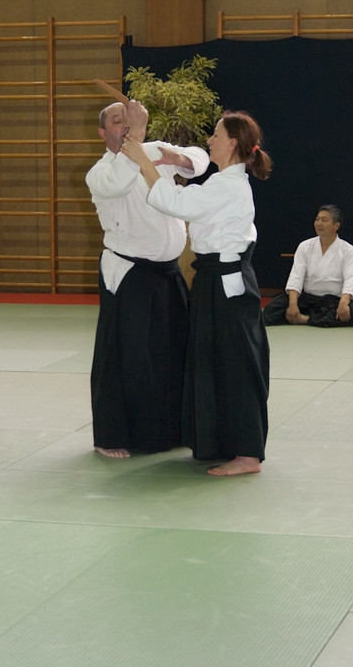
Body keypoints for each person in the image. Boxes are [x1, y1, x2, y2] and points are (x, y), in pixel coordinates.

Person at [121, 111, 272, 476]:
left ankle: (248, 455)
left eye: (216, 135)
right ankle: (220, 442)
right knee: (214, 362)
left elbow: (178, 203)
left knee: (236, 364)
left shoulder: (229, 186)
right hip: (213, 278)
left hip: (226, 281)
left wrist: (144, 161)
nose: (209, 140)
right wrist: (174, 160)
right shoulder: (222, 183)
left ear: (232, 143)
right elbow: (188, 200)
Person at [86, 100, 209, 458]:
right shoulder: (100, 172)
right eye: (117, 121)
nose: (124, 125)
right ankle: (111, 436)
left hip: (168, 271)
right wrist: (137, 138)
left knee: (172, 354)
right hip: (128, 274)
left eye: (128, 119)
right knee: (126, 358)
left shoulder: (154, 151)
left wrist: (179, 158)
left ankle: (168, 431)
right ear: (103, 132)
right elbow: (119, 183)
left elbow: (200, 159)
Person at [263, 205, 353, 327]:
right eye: (317, 219)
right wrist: (293, 305)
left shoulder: (348, 250)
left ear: (336, 225)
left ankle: (305, 319)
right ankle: (316, 318)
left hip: (333, 301)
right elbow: (296, 276)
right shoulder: (305, 246)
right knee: (272, 308)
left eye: (324, 220)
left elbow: (351, 280)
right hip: (307, 299)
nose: (319, 223)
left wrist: (343, 303)